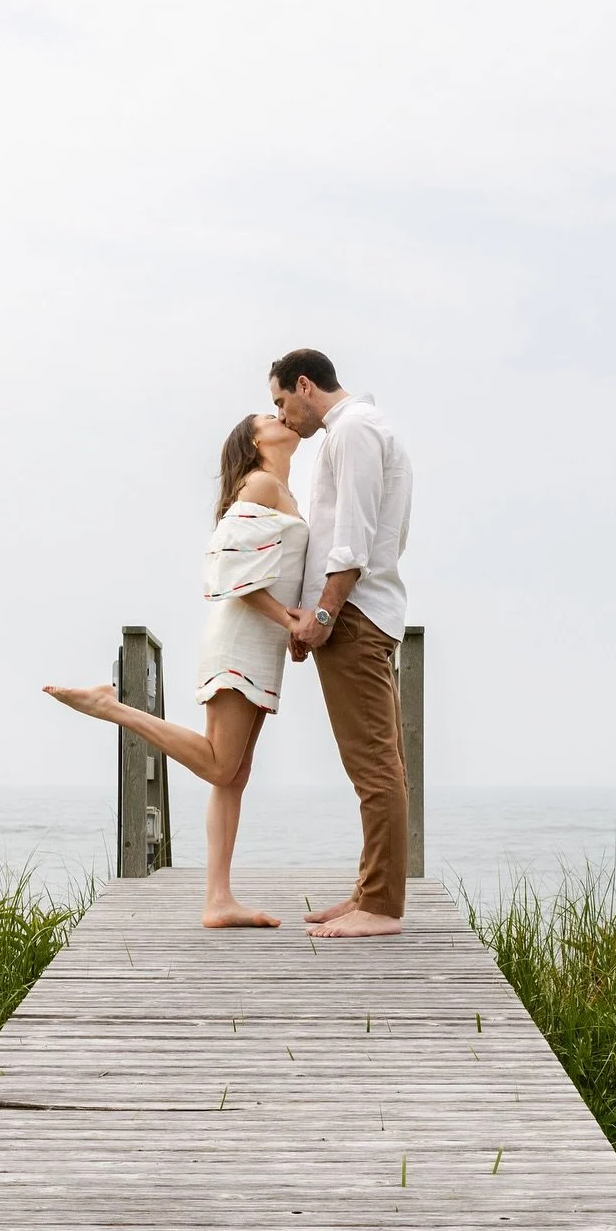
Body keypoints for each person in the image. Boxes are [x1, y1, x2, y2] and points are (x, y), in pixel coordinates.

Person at [44, 412, 306, 929]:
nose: (280, 415)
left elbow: (275, 573)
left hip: (262, 643)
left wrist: (293, 629)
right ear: (255, 440)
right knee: (220, 766)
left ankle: (218, 900)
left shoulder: (283, 491)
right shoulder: (260, 483)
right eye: (268, 415)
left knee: (234, 775)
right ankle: (115, 708)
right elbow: (226, 568)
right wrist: (288, 620)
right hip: (240, 638)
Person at [269, 349, 414, 939]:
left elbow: (352, 538)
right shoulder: (356, 429)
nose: (282, 417)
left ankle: (380, 907)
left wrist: (325, 615)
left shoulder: (353, 430)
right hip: (356, 615)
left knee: (373, 766)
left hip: (354, 617)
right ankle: (367, 891)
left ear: (305, 385)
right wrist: (315, 613)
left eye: (282, 401)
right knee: (379, 764)